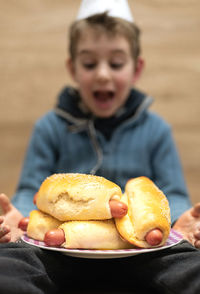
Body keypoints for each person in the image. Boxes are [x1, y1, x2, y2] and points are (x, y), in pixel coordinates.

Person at [0, 1, 200, 293]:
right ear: (72, 68)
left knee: (186, 261)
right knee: (12, 261)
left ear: (137, 69)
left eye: (116, 64)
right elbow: (32, 189)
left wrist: (179, 225)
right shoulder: (50, 128)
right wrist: (17, 218)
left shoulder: (156, 131)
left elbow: (174, 192)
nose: (103, 74)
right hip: (60, 248)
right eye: (90, 63)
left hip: (141, 251)